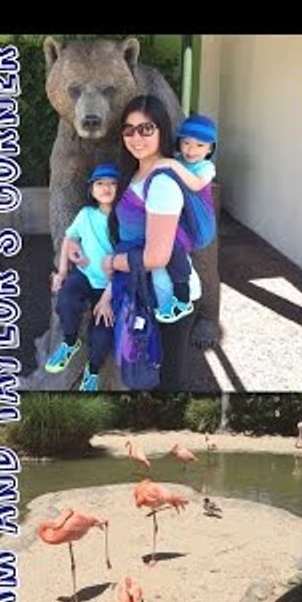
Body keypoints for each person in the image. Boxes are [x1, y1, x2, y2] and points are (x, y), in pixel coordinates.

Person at [102, 95, 202, 391]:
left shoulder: (161, 182)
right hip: (144, 294)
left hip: (171, 300)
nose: (136, 137)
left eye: (146, 129)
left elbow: (157, 256)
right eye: (129, 129)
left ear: (162, 130)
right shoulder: (133, 174)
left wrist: (111, 263)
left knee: (169, 382)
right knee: (146, 374)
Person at [46, 163, 119, 391]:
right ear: (91, 189)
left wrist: (107, 299)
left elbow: (127, 264)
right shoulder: (86, 214)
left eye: (112, 183)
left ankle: (93, 370)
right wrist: (62, 272)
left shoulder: (124, 218)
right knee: (66, 299)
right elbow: (70, 238)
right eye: (100, 183)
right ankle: (70, 342)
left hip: (111, 284)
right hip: (85, 274)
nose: (106, 188)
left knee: (103, 333)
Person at [153, 113, 218, 324]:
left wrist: (171, 165)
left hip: (199, 223)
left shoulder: (205, 167)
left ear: (210, 149)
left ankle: (182, 299)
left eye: (200, 145)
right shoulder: (179, 160)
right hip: (183, 220)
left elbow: (197, 184)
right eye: (186, 142)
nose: (191, 149)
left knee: (173, 249)